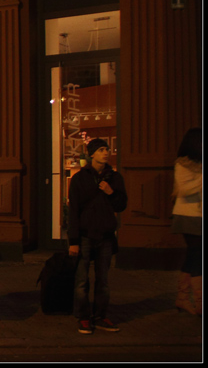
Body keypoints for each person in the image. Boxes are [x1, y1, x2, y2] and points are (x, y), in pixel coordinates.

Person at [68, 138, 128, 335]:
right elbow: (74, 210)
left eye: (107, 149)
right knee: (81, 280)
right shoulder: (79, 178)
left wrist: (111, 193)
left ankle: (101, 316)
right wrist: (73, 241)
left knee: (103, 280)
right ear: (92, 154)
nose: (106, 153)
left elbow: (121, 205)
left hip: (105, 236)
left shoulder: (115, 178)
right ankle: (83, 317)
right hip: (85, 235)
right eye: (101, 150)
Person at [171, 128, 201, 316]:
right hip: (188, 217)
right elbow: (183, 189)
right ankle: (200, 301)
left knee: (193, 257)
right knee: (198, 257)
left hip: (199, 216)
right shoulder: (183, 164)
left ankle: (182, 298)